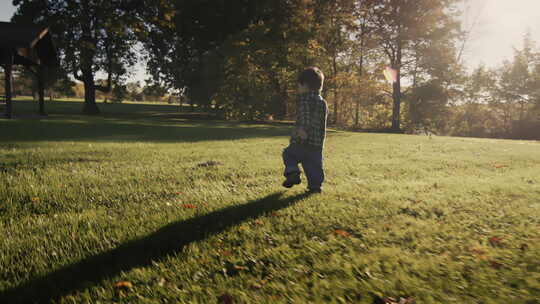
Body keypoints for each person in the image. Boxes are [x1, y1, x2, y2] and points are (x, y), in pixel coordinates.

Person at [282, 67, 328, 194]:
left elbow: (306, 117)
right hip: (317, 144)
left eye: (299, 85)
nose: (298, 88)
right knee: (314, 166)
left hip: (302, 141)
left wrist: (303, 130)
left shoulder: (304, 99)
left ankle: (293, 173)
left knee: (288, 154)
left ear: (304, 85)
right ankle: (315, 187)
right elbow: (321, 123)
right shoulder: (323, 102)